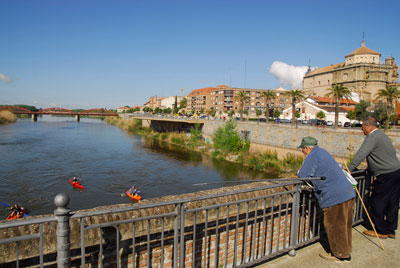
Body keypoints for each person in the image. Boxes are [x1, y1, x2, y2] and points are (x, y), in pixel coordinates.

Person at [297, 136, 355, 263]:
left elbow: (302, 175)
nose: (302, 152)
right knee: (345, 225)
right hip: (347, 192)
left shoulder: (312, 156)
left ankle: (339, 254)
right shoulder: (322, 152)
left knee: (334, 225)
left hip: (334, 197)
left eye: (302, 150)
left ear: (307, 148)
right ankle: (345, 251)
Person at [349, 117, 400, 239]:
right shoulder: (381, 135)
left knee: (377, 202)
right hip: (396, 172)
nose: (362, 131)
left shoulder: (372, 137)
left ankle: (380, 230)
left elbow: (361, 154)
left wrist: (349, 169)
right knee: (392, 202)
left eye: (362, 128)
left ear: (367, 126)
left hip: (386, 175)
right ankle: (390, 230)